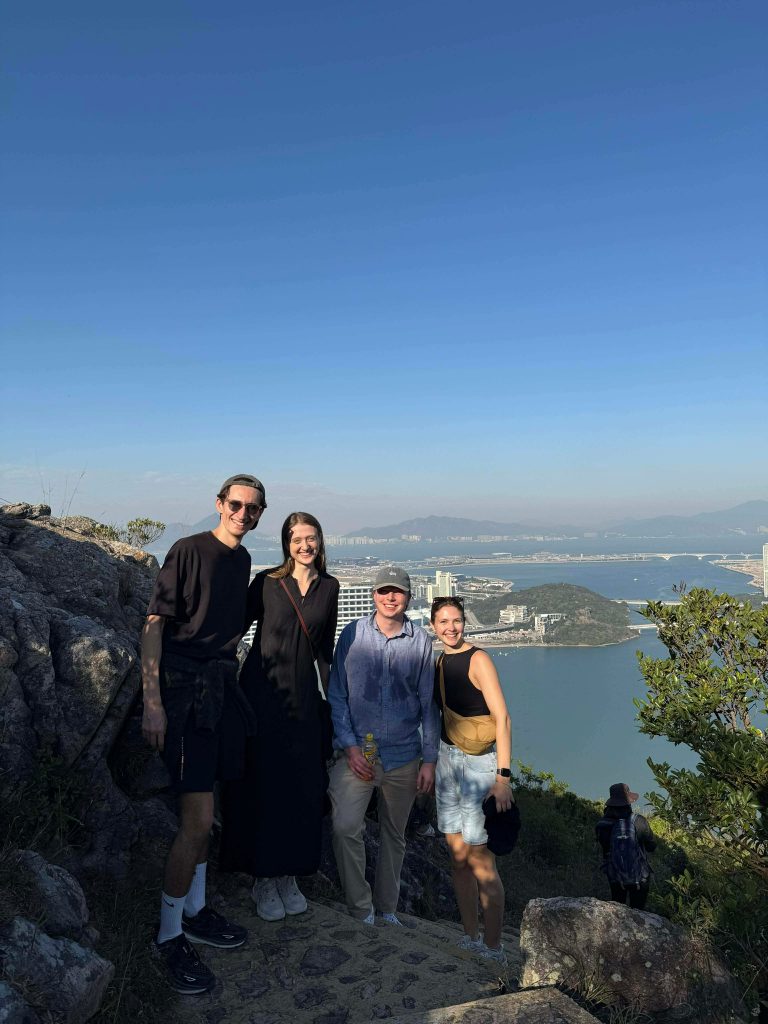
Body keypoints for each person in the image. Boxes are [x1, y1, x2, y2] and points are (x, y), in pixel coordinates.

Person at [141, 473, 267, 994]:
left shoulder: (242, 560)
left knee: (208, 812)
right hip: (183, 691)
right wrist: (153, 702)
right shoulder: (188, 550)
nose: (243, 513)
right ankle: (168, 935)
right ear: (219, 504)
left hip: (220, 690)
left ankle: (194, 911)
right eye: (236, 504)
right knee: (196, 821)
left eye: (253, 508)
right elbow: (155, 623)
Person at [219, 513, 339, 922]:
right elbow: (235, 630)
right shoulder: (268, 583)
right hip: (262, 694)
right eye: (297, 538)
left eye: (311, 537)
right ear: (286, 543)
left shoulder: (330, 587)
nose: (305, 545)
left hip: (304, 700)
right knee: (263, 785)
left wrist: (333, 704)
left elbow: (324, 652)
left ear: (320, 540)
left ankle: (289, 874)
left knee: (301, 788)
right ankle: (263, 877)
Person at [327, 566, 439, 926]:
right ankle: (361, 909)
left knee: (395, 835)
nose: (390, 597)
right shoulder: (353, 634)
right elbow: (337, 693)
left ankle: (387, 908)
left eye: (398, 592)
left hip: (404, 753)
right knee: (346, 826)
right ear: (373, 595)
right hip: (359, 751)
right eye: (383, 591)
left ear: (409, 597)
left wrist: (430, 759)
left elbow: (428, 704)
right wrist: (349, 746)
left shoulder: (420, 642)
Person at [430, 596, 513, 964]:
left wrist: (503, 778)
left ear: (464, 622)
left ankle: (494, 948)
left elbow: (502, 719)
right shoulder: (440, 661)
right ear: (433, 626)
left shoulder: (479, 659)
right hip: (447, 762)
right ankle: (470, 937)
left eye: (457, 620)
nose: (451, 628)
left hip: (480, 767)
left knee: (481, 861)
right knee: (458, 857)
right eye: (444, 622)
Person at [595, 782, 656, 910]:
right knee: (638, 911)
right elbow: (651, 846)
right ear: (629, 802)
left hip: (615, 877)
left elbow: (605, 849)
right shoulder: (639, 821)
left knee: (618, 909)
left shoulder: (602, 825)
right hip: (640, 877)